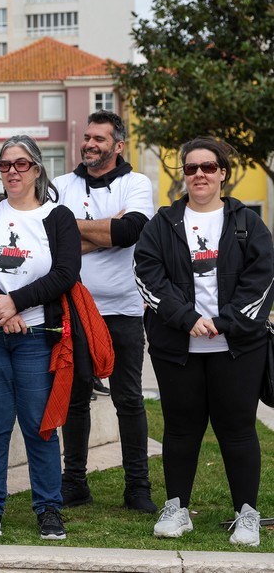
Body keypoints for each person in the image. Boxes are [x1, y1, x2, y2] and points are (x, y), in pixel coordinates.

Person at [134, 137, 273, 546]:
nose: (199, 174)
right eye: (191, 168)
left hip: (238, 347)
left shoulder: (247, 222)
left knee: (238, 429)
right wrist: (188, 319)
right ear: (183, 175)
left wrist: (224, 322)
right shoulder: (163, 223)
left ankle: (247, 514)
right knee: (180, 429)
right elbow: (147, 275)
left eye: (208, 167)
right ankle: (176, 509)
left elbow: (262, 278)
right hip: (178, 348)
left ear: (222, 174)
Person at [0, 135, 81, 541]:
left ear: (37, 169)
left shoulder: (57, 217)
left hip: (36, 336)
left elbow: (66, 273)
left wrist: (16, 303)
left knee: (38, 424)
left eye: (21, 163)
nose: (12, 171)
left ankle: (48, 508)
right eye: (5, 164)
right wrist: (1, 310)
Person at [51, 111, 157, 512]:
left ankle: (137, 488)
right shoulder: (61, 184)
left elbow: (132, 231)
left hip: (124, 310)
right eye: (87, 137)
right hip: (74, 309)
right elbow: (50, 241)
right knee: (76, 401)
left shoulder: (136, 183)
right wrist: (106, 230)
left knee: (128, 400)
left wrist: (73, 226)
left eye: (99, 138)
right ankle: (74, 483)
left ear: (118, 145)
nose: (90, 144)